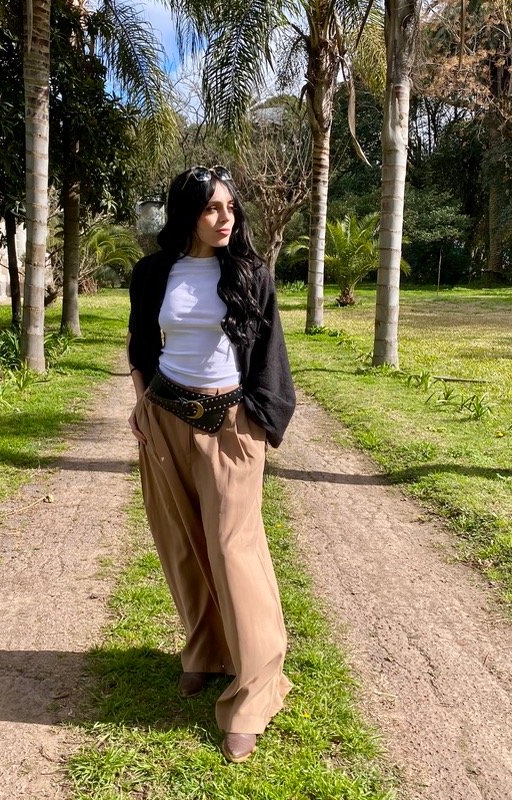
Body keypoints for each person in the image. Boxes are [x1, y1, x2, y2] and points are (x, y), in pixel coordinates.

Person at [126, 165, 296, 763]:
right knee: (181, 543)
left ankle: (254, 691)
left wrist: (257, 423)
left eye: (229, 207)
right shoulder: (153, 273)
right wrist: (141, 403)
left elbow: (269, 352)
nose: (225, 218)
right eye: (210, 209)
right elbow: (141, 344)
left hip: (229, 425)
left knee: (233, 551)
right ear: (187, 214)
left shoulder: (250, 272)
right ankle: (204, 651)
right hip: (165, 418)